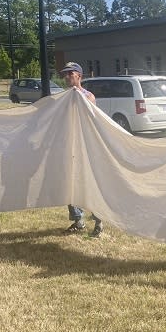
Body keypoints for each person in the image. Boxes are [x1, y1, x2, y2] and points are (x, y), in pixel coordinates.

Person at [60, 61, 103, 238]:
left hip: (86, 147)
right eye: (66, 74)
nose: (67, 77)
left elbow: (91, 116)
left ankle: (99, 221)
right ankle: (78, 220)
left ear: (79, 76)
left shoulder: (88, 96)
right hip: (70, 147)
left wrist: (78, 96)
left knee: (90, 184)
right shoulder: (64, 98)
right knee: (69, 184)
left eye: (71, 73)